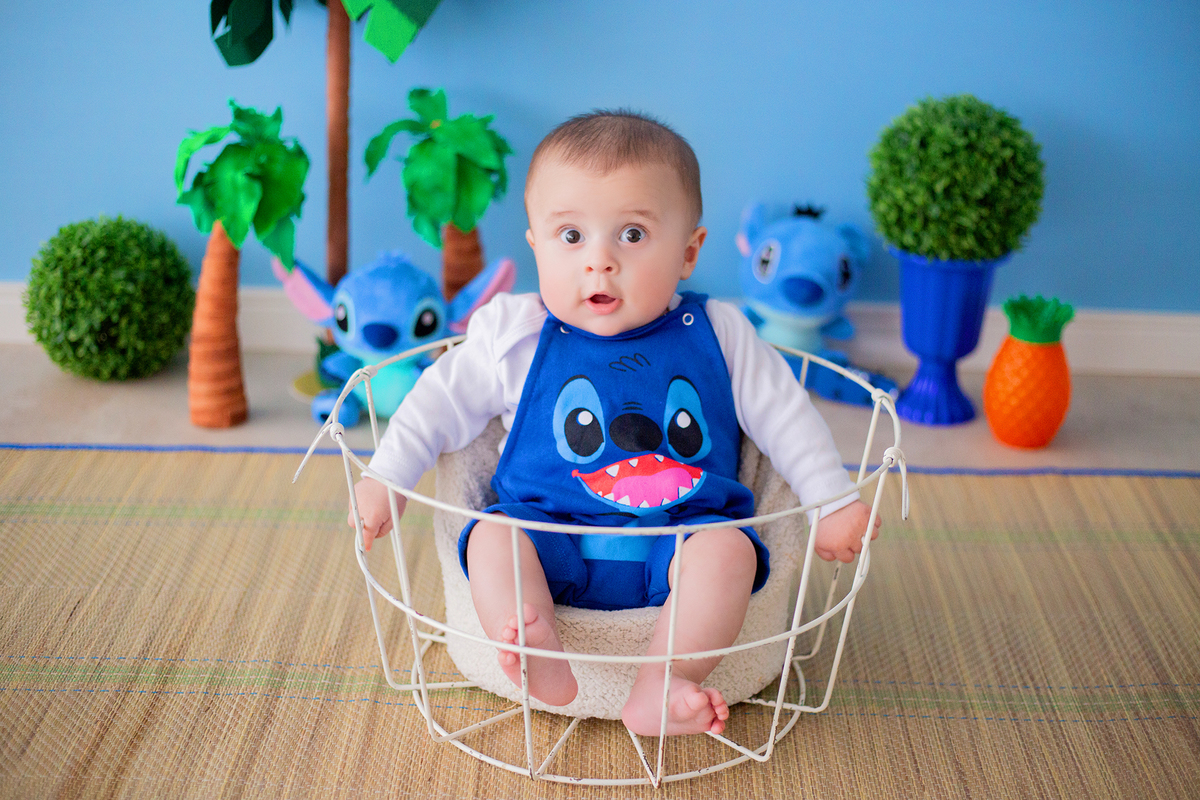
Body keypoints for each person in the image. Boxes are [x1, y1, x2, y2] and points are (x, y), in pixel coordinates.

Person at [348, 110, 880, 737]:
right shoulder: (513, 333)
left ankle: (663, 681)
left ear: (688, 252)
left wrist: (830, 498)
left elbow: (788, 416)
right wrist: (387, 475)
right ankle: (530, 637)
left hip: (682, 537)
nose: (598, 262)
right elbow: (432, 405)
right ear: (536, 246)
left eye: (631, 235)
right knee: (490, 540)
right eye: (571, 237)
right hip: (545, 533)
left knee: (732, 554)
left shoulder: (721, 333)